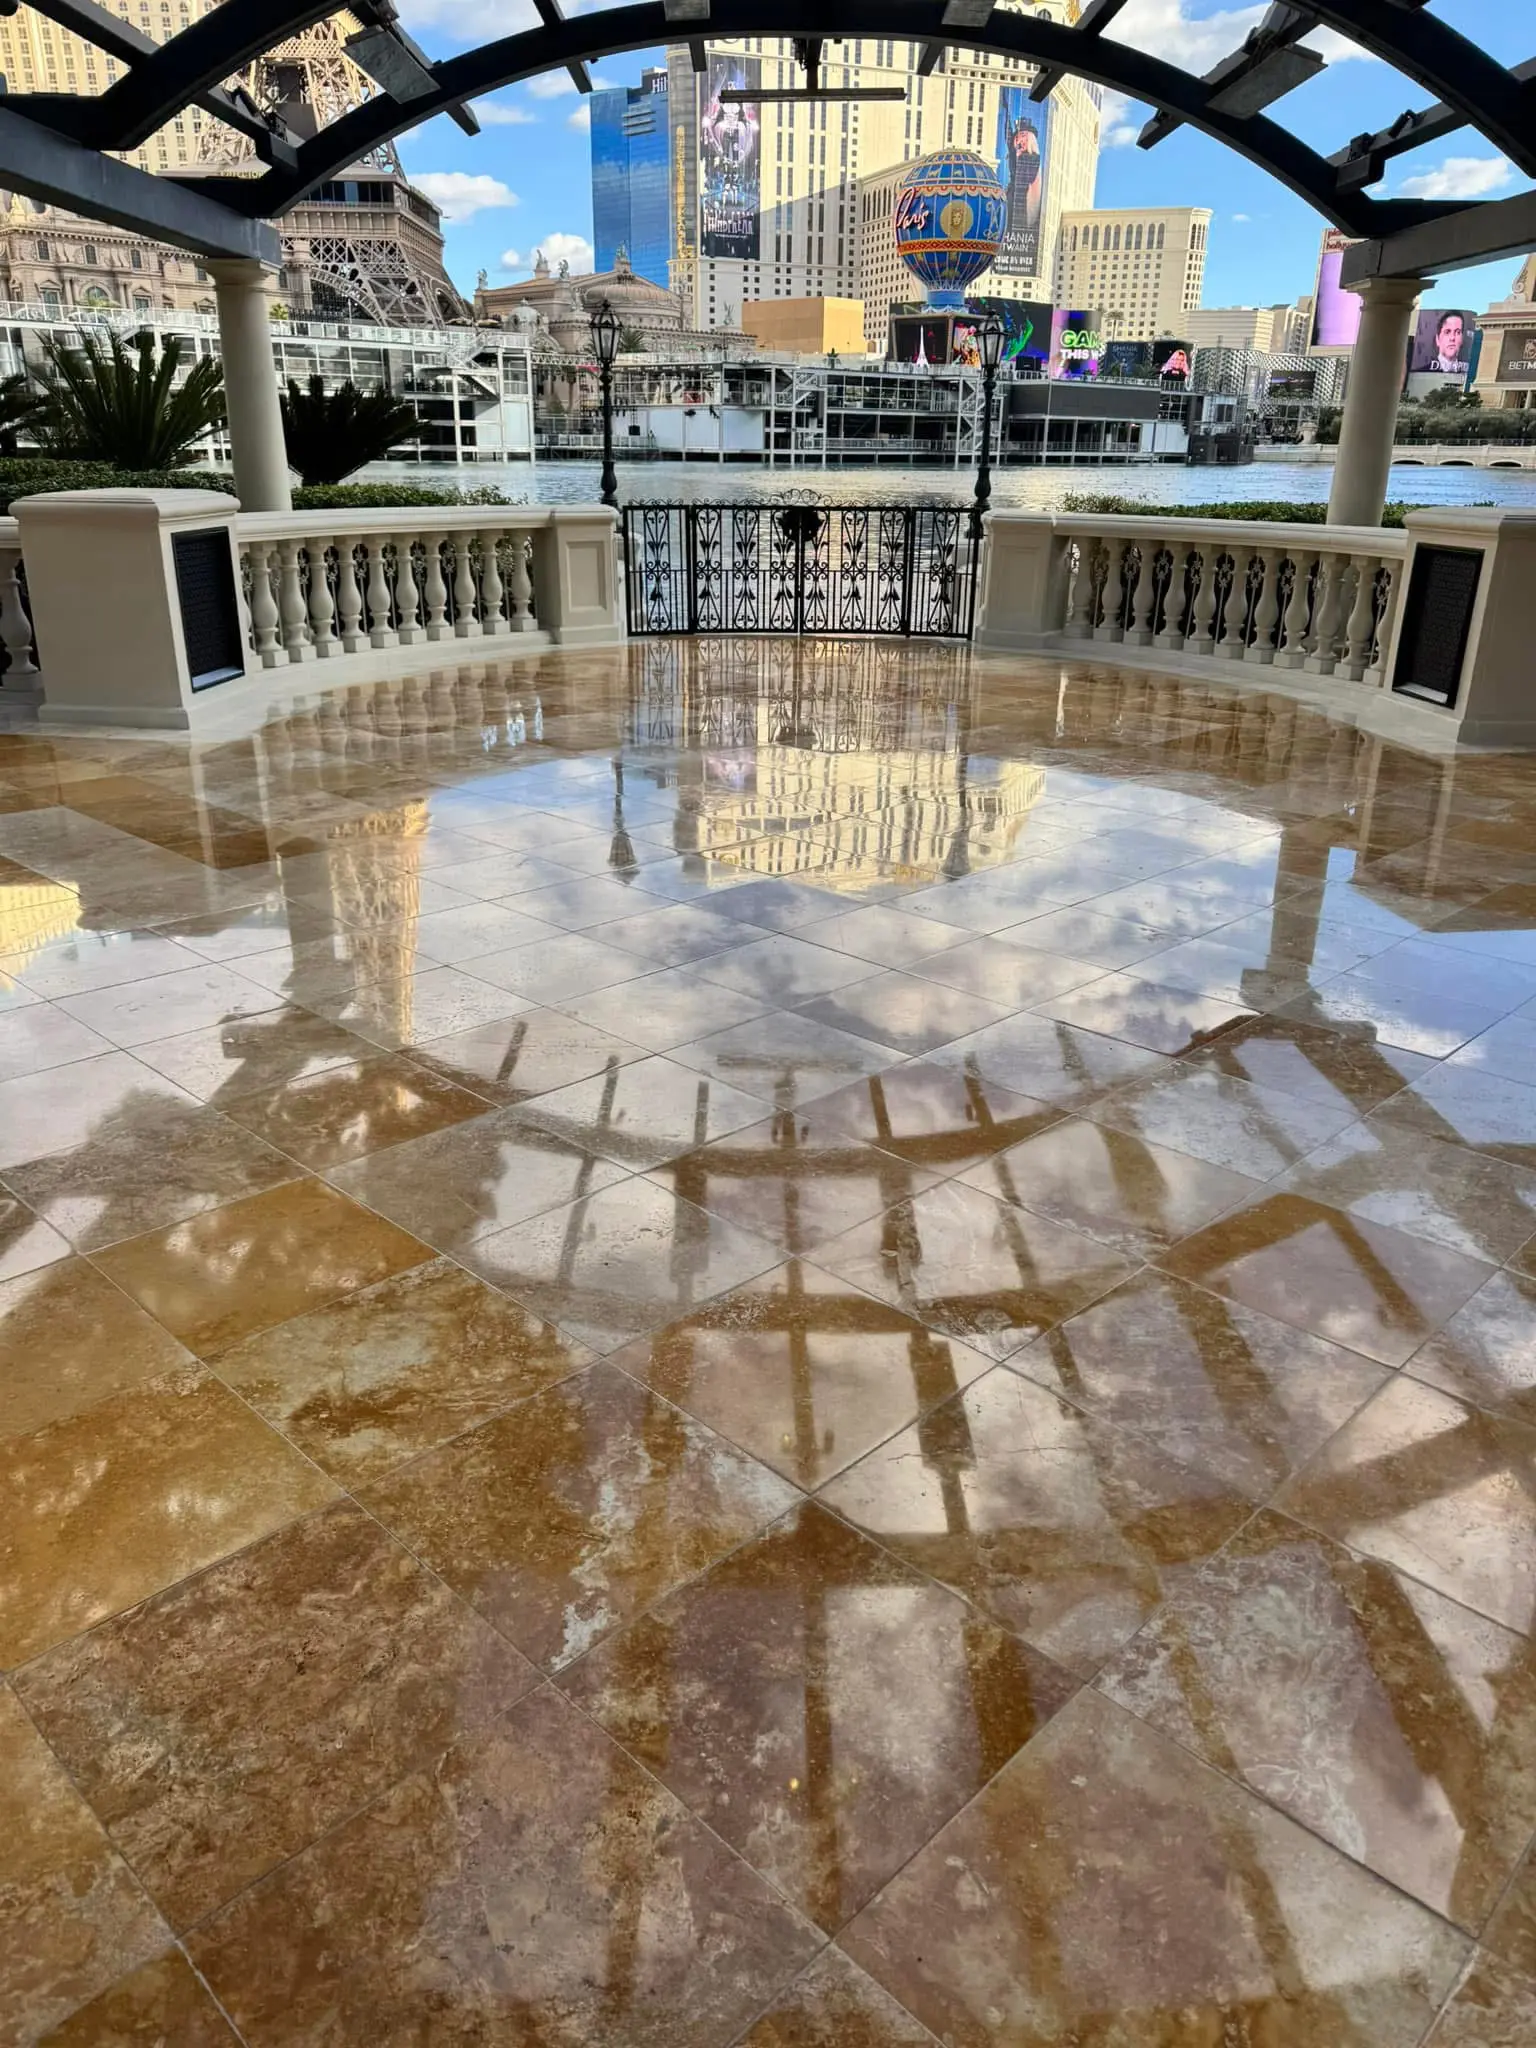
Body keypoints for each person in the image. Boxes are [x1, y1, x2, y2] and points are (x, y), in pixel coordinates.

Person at [1421, 310, 1469, 374]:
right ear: (1437, 339)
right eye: (1447, 332)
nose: (1452, 338)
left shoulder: (1466, 374)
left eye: (1457, 332)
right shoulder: (1423, 372)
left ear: (1462, 339)